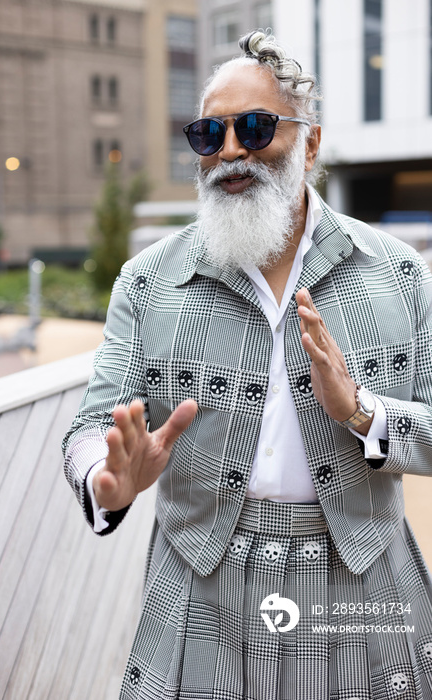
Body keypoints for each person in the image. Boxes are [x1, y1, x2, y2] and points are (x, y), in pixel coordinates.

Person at [63, 30, 432, 700]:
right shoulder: (148, 282)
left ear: (310, 144)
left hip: (362, 581)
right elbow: (91, 426)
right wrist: (104, 478)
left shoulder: (400, 274)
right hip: (202, 582)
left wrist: (362, 411)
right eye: (209, 135)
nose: (232, 151)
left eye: (256, 128)